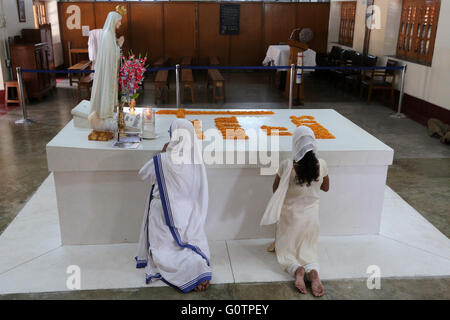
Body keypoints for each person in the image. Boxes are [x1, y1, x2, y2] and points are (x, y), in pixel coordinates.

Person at [135, 119, 211, 292]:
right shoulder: (196, 162)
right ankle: (199, 270)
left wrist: (162, 153)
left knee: (165, 253)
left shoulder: (164, 161)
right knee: (188, 248)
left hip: (163, 216)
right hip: (188, 215)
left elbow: (143, 174)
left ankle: (192, 273)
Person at [260, 126, 330, 297]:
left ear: (295, 144)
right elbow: (326, 188)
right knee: (308, 250)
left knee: (286, 253)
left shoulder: (287, 165)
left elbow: (275, 189)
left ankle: (296, 269)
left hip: (289, 219)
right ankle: (312, 271)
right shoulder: (321, 165)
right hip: (311, 219)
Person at [88, 10, 125, 131]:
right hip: (108, 71)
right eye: (119, 21)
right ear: (113, 21)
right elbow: (112, 56)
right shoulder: (108, 35)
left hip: (108, 70)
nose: (120, 23)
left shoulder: (109, 34)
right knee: (105, 91)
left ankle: (105, 116)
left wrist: (117, 44)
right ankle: (104, 116)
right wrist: (119, 44)